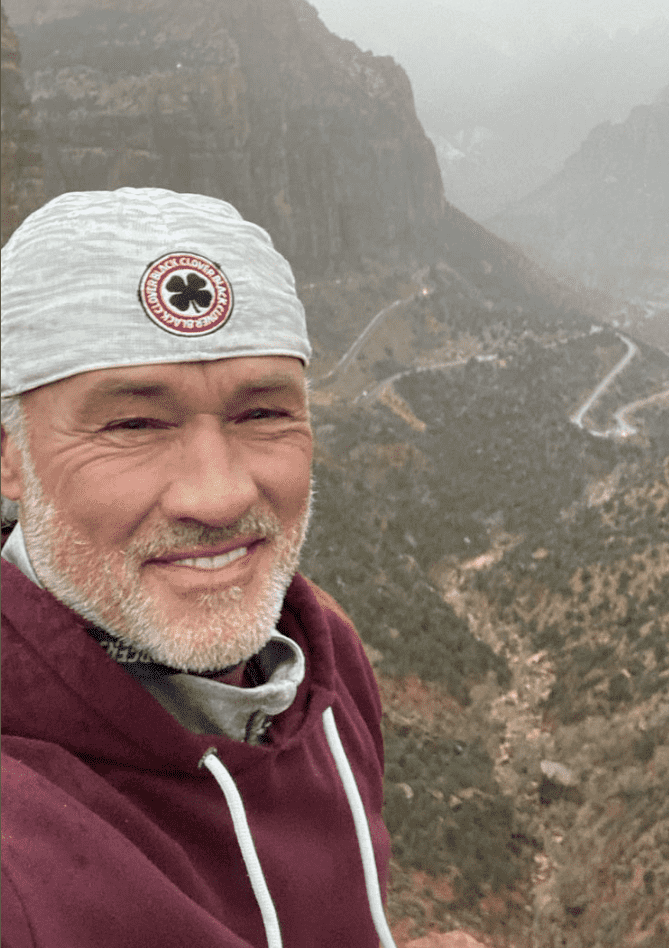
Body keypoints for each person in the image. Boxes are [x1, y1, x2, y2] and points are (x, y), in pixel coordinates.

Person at [1, 188, 397, 948]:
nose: (218, 496)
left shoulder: (328, 665)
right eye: (133, 423)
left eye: (263, 413)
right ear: (9, 455)